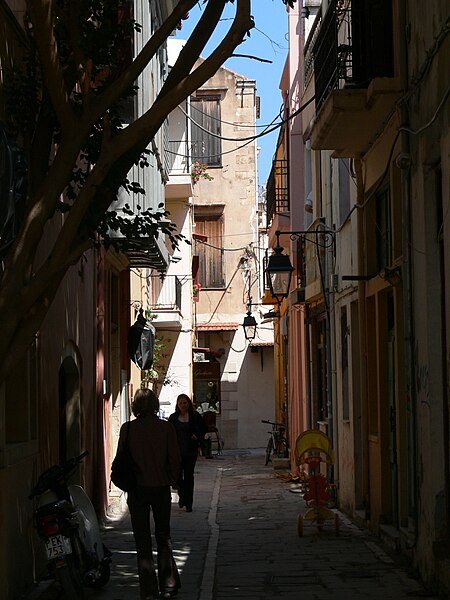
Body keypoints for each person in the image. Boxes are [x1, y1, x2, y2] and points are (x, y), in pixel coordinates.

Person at [115, 388, 181, 600]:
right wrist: (171, 479)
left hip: (137, 490)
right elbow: (175, 459)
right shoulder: (166, 428)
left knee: (142, 541)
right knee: (163, 536)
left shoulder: (128, 429)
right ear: (155, 405)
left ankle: (148, 590)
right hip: (160, 487)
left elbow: (120, 460)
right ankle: (168, 584)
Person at [168, 393, 207, 512]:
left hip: (190, 451)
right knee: (178, 477)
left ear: (188, 403)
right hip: (177, 452)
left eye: (184, 403)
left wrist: (198, 436)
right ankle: (182, 495)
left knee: (189, 477)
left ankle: (188, 502)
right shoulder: (173, 417)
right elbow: (168, 432)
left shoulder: (195, 416)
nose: (183, 405)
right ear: (177, 404)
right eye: (180, 403)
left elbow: (204, 427)